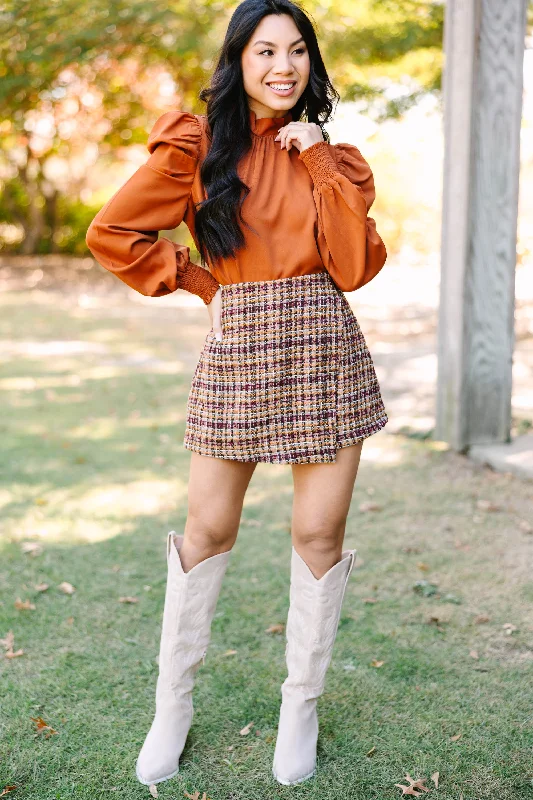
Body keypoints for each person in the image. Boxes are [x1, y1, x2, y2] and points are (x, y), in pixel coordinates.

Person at [85, 0, 389, 788]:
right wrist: (197, 282)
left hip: (325, 347)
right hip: (238, 350)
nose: (282, 67)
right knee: (207, 528)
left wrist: (319, 157)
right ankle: (172, 705)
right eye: (264, 52)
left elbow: (353, 267)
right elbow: (113, 233)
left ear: (310, 64)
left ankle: (300, 707)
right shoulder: (195, 148)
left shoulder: (336, 158)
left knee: (319, 534)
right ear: (238, 62)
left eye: (295, 52)